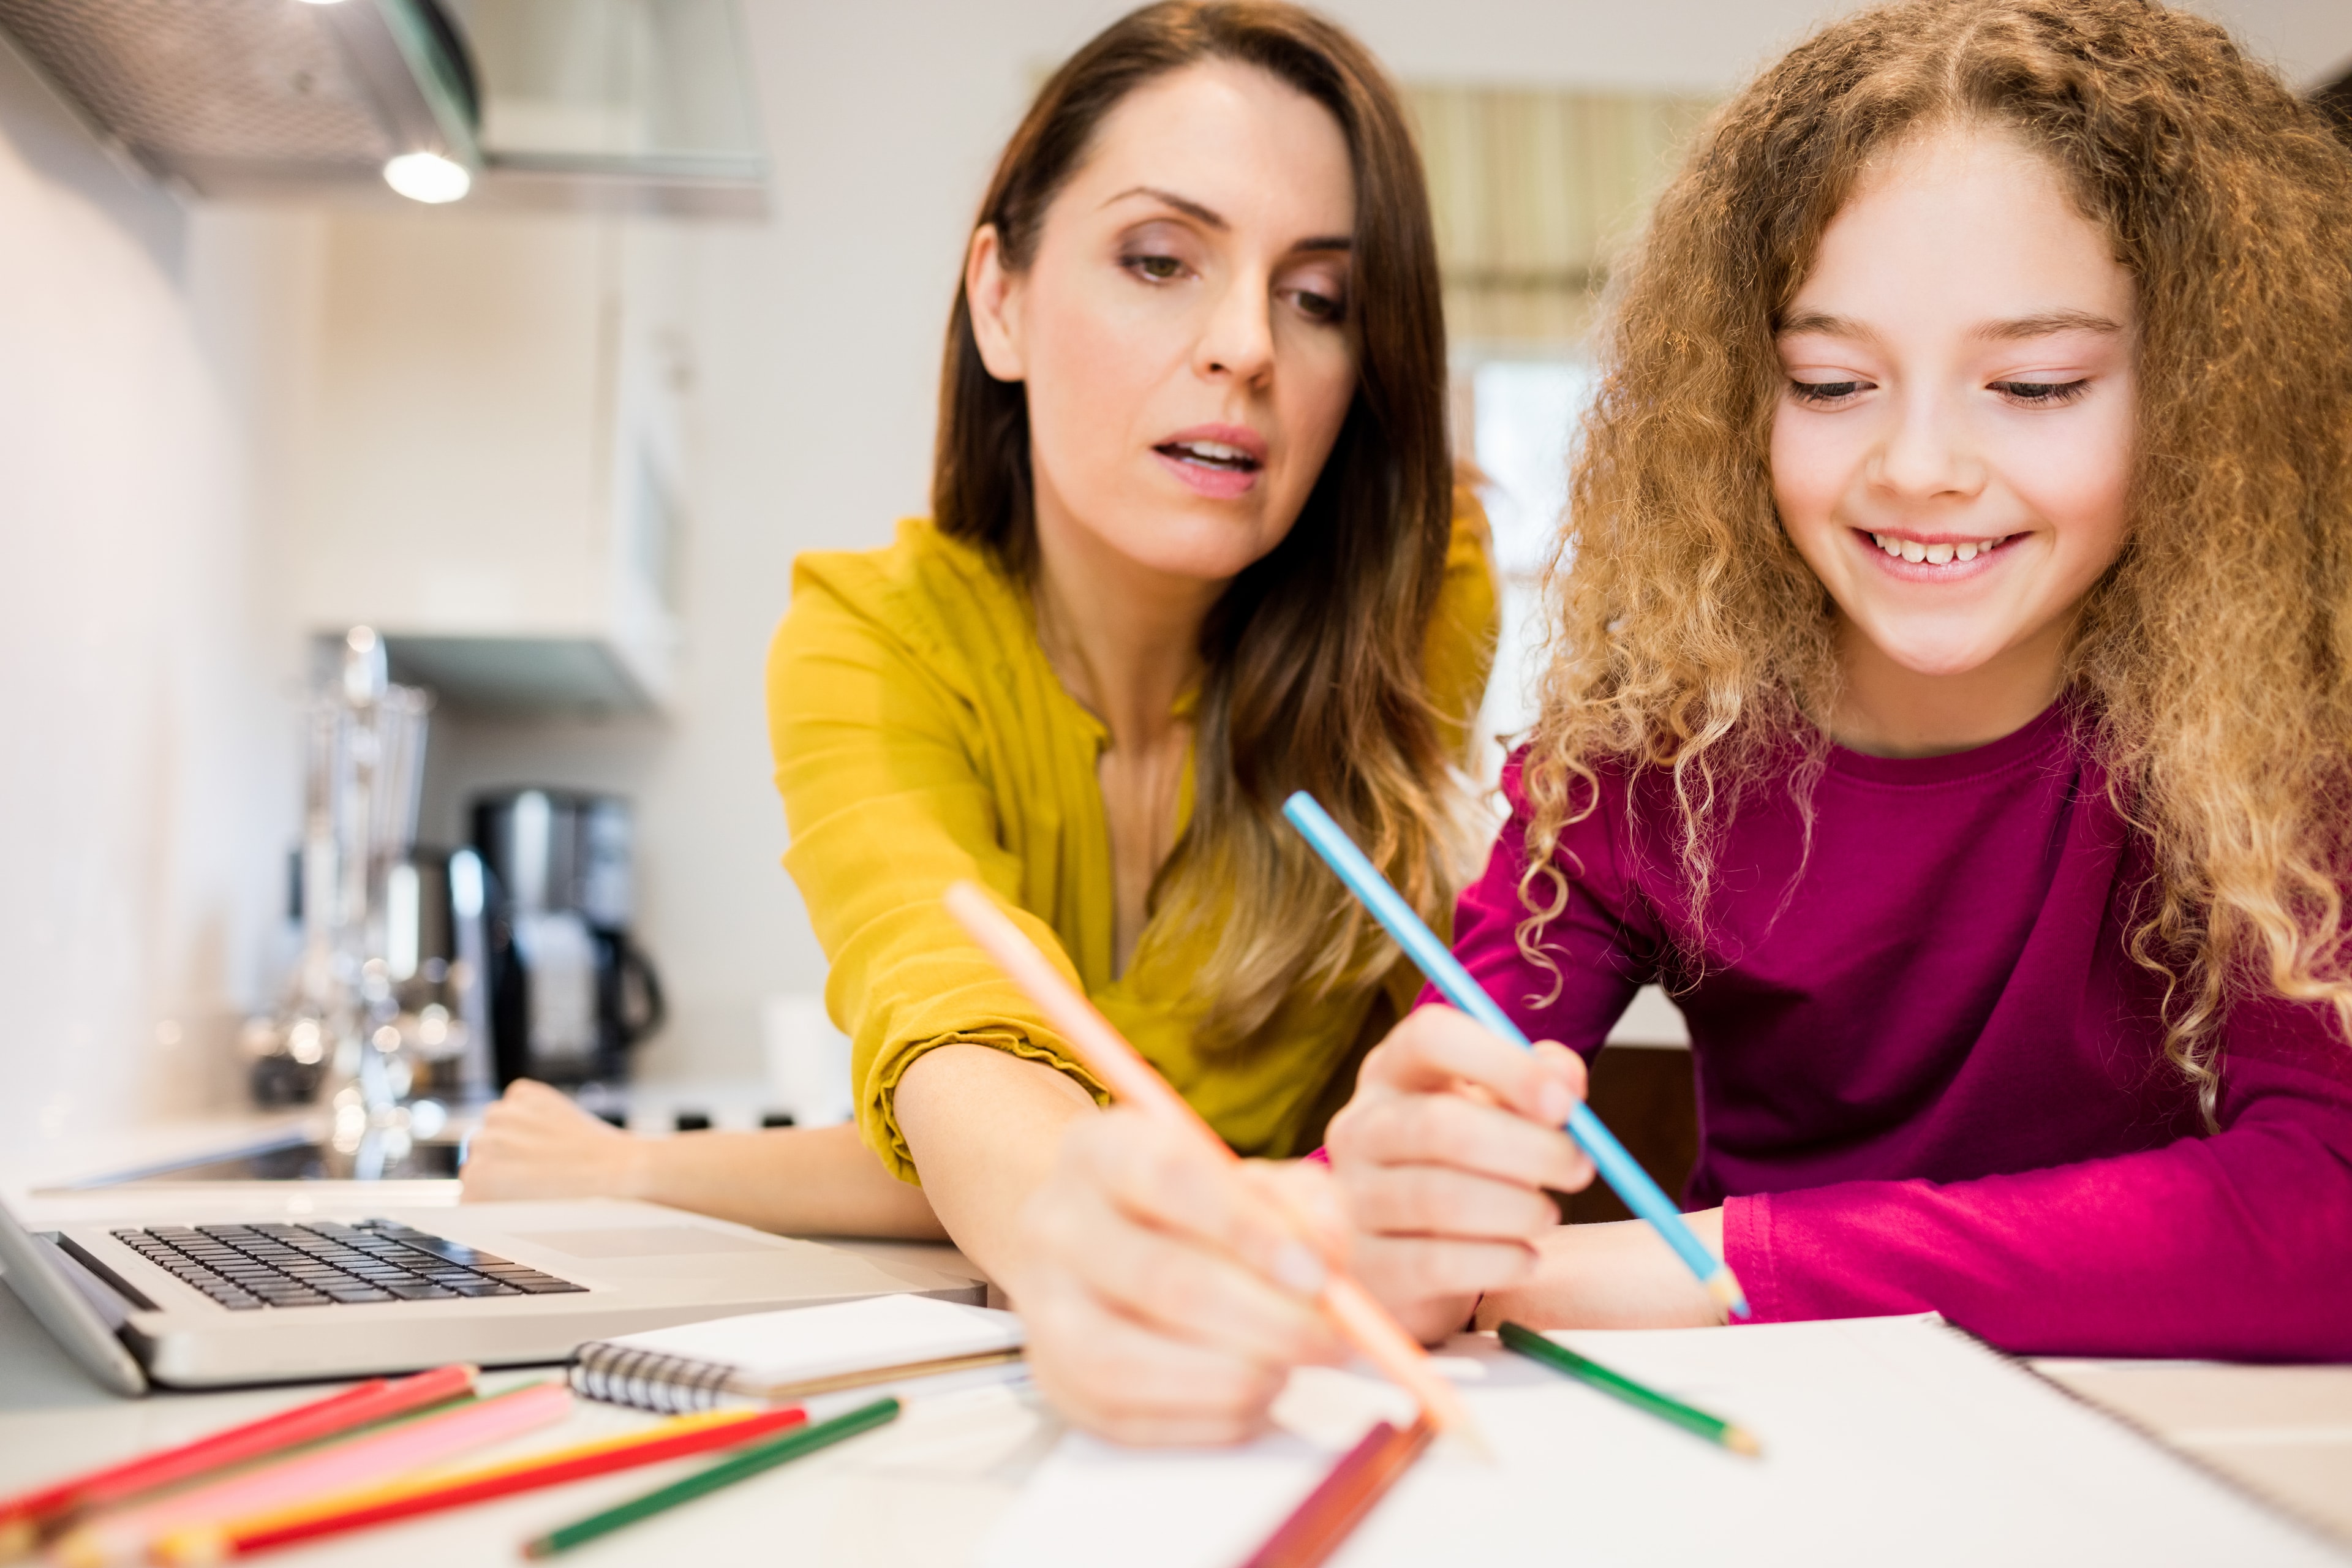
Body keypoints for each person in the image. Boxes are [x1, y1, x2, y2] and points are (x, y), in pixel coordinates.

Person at [465, 0, 1520, 1440]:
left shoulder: (1422, 598)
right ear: (1002, 298)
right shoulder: (871, 640)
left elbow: (1135, 1110)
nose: (1244, 347)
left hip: (1344, 1382)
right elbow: (960, 1041)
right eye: (1160, 260)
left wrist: (644, 1170)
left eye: (1319, 297)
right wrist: (1074, 1240)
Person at [1320, 0, 2352, 1361]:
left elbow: (2323, 1219)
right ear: (1742, 395)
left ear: (2200, 400)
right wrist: (1396, 1195)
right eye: (1829, 380)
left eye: (2035, 385)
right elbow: (1404, 1193)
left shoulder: (2267, 737)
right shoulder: (1648, 757)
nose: (1919, 463)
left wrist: (1741, 1260)